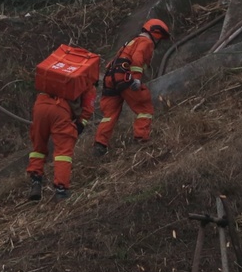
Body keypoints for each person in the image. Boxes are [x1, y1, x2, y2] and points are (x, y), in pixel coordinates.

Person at [95, 19, 170, 153]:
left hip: (110, 78)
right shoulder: (146, 42)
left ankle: (99, 145)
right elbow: (137, 59)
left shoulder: (131, 42)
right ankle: (141, 138)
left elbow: (115, 61)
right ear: (156, 33)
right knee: (145, 108)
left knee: (110, 114)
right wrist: (135, 79)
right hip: (125, 77)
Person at [28, 61, 96, 201]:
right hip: (61, 111)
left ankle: (35, 182)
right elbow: (88, 108)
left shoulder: (58, 69)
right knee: (63, 153)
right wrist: (80, 125)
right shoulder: (86, 79)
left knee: (38, 147)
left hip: (40, 105)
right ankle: (61, 189)